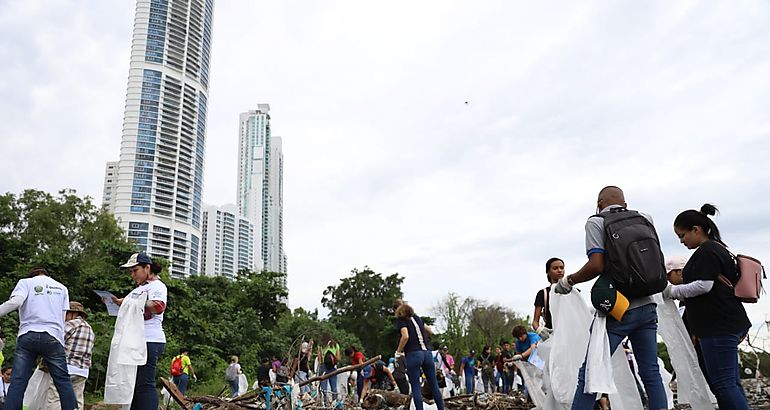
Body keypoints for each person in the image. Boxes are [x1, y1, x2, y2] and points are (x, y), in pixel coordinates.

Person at [553, 186, 667, 410]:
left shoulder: (596, 222)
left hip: (617, 310)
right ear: (625, 203)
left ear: (599, 203)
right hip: (649, 306)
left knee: (591, 372)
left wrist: (569, 281)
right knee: (650, 372)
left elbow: (597, 265)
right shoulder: (645, 218)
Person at [664, 204, 752, 409]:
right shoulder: (717, 248)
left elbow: (704, 286)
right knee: (730, 383)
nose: (681, 240)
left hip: (718, 326)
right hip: (726, 322)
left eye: (682, 235)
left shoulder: (707, 252)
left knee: (723, 384)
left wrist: (669, 292)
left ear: (696, 229)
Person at [0, 267, 77, 410]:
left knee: (18, 381)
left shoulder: (26, 283)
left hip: (28, 334)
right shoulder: (62, 288)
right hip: (53, 336)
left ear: (32, 276)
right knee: (62, 380)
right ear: (47, 275)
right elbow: (63, 317)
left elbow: (15, 302)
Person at [114, 253, 168, 410]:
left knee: (145, 384)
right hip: (137, 340)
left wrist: (129, 302)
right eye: (130, 271)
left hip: (150, 339)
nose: (132, 275)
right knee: (134, 384)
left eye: (135, 270)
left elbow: (158, 306)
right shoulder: (140, 289)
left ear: (147, 268)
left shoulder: (157, 286)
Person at [44, 302, 95, 410]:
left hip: (66, 367)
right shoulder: (89, 328)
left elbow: (56, 342)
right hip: (83, 370)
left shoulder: (70, 324)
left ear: (72, 313)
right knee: (77, 399)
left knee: (56, 396)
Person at [395, 303, 445, 410]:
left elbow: (405, 336)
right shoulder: (418, 318)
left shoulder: (402, 320)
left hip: (413, 354)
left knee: (416, 387)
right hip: (427, 353)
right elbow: (430, 331)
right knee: (434, 385)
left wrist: (398, 351)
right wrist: (421, 339)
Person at [532, 257, 564, 338]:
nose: (559, 270)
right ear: (548, 272)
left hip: (569, 333)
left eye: (562, 268)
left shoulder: (573, 291)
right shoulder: (543, 293)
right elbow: (535, 322)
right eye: (555, 268)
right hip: (551, 335)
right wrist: (539, 330)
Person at [317, 333, 341, 404]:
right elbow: (339, 358)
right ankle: (335, 403)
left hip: (324, 367)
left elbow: (320, 359)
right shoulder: (336, 345)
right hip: (333, 368)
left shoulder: (320, 346)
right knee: (334, 387)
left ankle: (324, 403)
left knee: (324, 388)